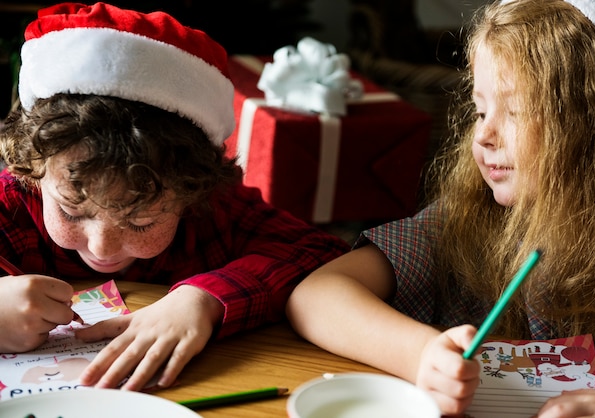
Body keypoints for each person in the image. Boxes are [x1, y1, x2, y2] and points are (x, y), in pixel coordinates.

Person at [286, 0, 595, 416]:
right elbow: (315, 297)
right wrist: (423, 356)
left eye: (515, 111)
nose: (483, 134)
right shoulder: (468, 219)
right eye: (481, 110)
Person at [0, 2, 349, 391]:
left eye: (141, 221)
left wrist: (204, 300)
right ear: (32, 169)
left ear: (192, 193)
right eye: (71, 210)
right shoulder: (8, 205)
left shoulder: (214, 209)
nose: (103, 246)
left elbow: (319, 252)